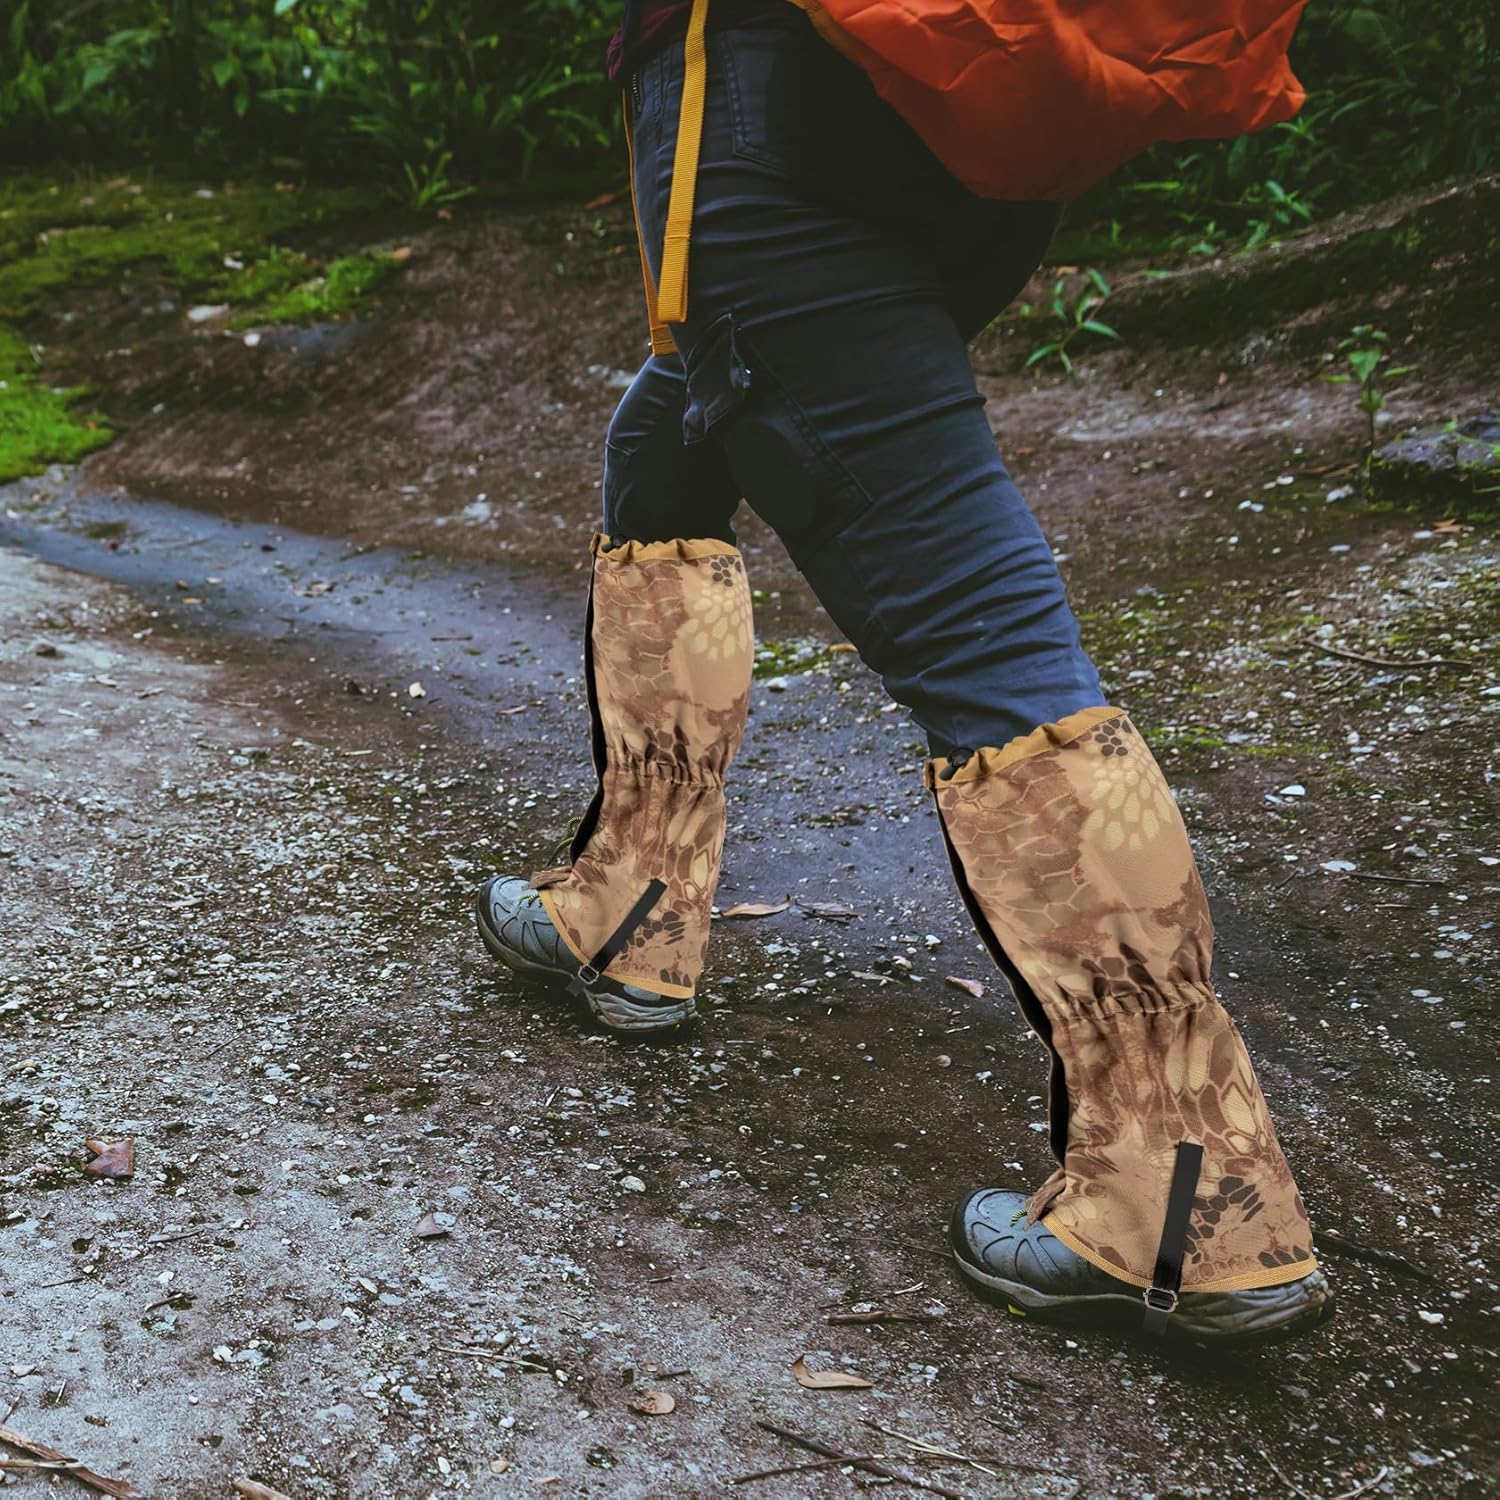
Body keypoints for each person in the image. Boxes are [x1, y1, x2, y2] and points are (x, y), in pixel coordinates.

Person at [476, 0, 1333, 1345]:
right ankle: (631, 910)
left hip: (779, 106)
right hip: (974, 124)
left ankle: (1185, 1191)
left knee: (972, 616)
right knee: (677, 433)